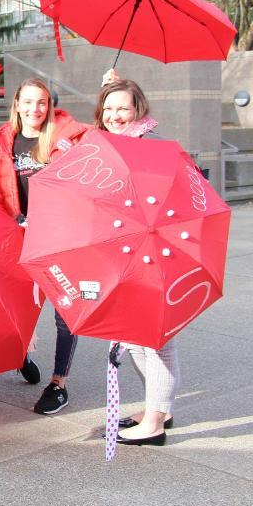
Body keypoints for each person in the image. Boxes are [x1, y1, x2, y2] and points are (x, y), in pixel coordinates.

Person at [0, 77, 88, 416]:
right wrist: (9, 223)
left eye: (41, 102)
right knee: (11, 306)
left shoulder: (66, 138)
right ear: (16, 105)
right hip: (19, 237)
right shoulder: (3, 143)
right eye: (27, 102)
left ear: (50, 105)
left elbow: (85, 180)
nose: (34, 109)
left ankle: (59, 383)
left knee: (64, 313)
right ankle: (19, 353)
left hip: (59, 239)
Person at [94, 75, 177, 446]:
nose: (115, 115)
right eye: (108, 108)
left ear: (137, 109)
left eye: (122, 108)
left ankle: (155, 422)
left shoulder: (154, 146)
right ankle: (158, 407)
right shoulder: (106, 144)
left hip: (155, 252)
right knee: (134, 337)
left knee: (156, 339)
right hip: (123, 252)